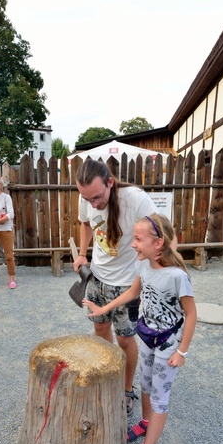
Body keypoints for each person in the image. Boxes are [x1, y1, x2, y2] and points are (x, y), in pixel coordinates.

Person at [83, 213, 197, 444]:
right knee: (145, 384)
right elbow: (132, 293)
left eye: (137, 239)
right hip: (146, 336)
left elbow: (191, 314)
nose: (132, 244)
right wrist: (104, 308)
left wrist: (182, 351)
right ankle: (145, 423)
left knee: (159, 397)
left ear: (158, 243)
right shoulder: (143, 266)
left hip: (169, 344)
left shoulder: (177, 277)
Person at [74, 159, 156, 414]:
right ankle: (107, 375)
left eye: (97, 197)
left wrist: (158, 272)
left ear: (110, 182)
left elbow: (162, 232)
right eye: (88, 199)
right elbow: (86, 223)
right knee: (100, 329)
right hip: (98, 278)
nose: (94, 204)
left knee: (124, 338)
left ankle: (126, 388)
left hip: (126, 284)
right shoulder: (87, 198)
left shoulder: (136, 200)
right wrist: (82, 254)